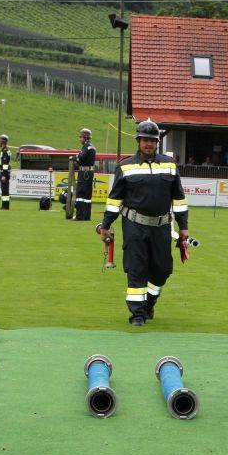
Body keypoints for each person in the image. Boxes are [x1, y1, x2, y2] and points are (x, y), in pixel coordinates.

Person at [95, 119, 191, 326]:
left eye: (152, 140)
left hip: (161, 226)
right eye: (145, 140)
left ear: (157, 143)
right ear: (138, 141)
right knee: (136, 268)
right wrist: (106, 225)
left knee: (162, 270)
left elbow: (179, 199)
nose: (149, 144)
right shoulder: (125, 166)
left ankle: (149, 304)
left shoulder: (169, 165)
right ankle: (137, 314)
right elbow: (114, 200)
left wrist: (183, 227)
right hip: (134, 226)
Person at [71, 127, 96, 221]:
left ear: (85, 137)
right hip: (89, 173)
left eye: (80, 137)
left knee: (80, 194)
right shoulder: (92, 147)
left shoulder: (86, 147)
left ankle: (79, 216)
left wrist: (73, 158)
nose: (79, 139)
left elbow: (80, 158)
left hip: (84, 173)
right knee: (87, 196)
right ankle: (86, 216)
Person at [0, 134, 11, 209]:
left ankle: (5, 206)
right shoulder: (5, 150)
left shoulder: (5, 151)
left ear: (3, 141)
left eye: (0, 140)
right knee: (4, 190)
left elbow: (5, 164)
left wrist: (3, 175)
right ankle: (5, 205)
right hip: (4, 172)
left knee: (4, 190)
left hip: (4, 173)